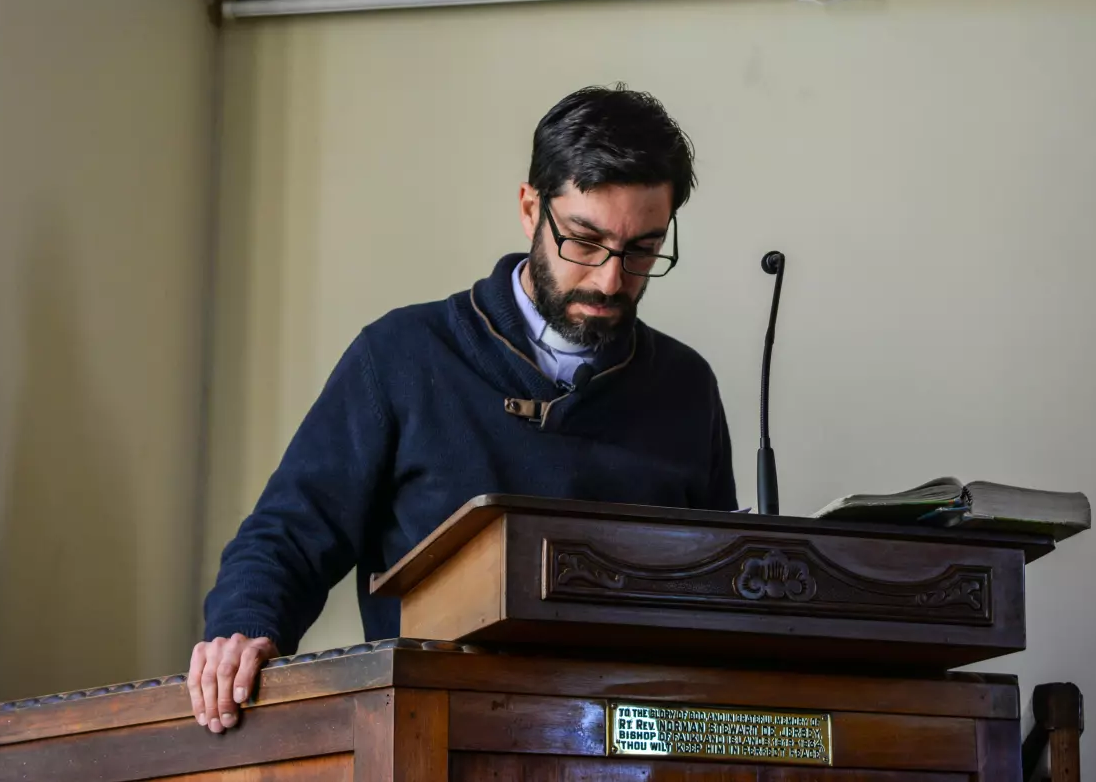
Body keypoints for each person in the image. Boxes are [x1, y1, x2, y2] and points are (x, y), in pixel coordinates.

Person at [188, 84, 738, 733]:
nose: (611, 279)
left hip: (633, 747)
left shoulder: (685, 386)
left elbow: (719, 592)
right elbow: (288, 536)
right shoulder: (400, 356)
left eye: (643, 249)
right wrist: (243, 630)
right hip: (434, 734)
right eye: (584, 242)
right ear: (530, 206)